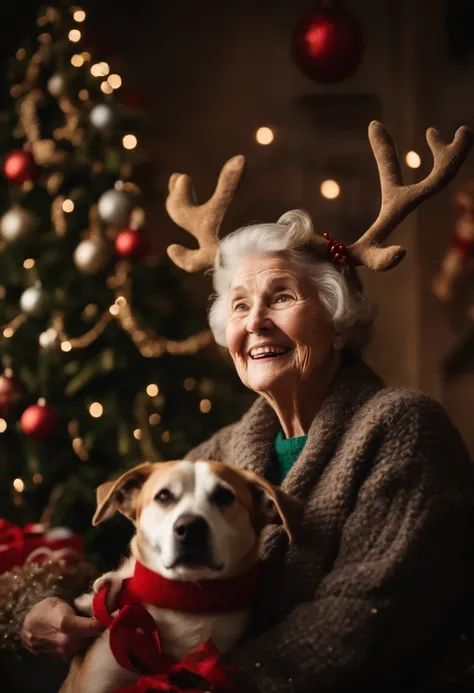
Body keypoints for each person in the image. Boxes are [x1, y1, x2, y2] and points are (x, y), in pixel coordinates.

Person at [21, 122, 474, 692]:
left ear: (338, 325)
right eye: (238, 306)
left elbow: (367, 621)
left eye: (281, 297)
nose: (255, 321)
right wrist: (49, 611)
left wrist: (200, 683)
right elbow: (136, 567)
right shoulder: (224, 449)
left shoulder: (402, 426)